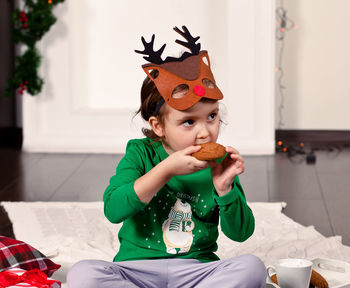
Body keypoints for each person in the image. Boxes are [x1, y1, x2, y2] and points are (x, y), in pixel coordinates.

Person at [67, 26, 267, 288]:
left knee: (253, 268)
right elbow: (114, 210)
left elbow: (241, 234)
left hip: (197, 272)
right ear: (159, 126)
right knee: (82, 274)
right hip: (136, 270)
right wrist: (166, 169)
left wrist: (225, 189)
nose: (205, 132)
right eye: (188, 122)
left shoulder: (220, 165)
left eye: (212, 116)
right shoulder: (141, 152)